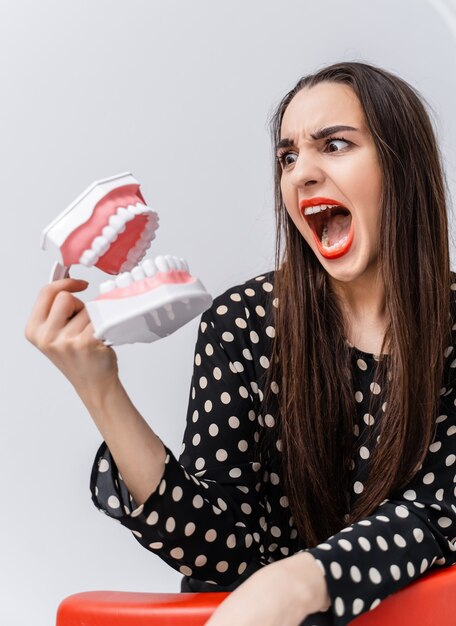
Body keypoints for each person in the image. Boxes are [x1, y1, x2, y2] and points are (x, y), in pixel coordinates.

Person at [25, 61, 456, 626]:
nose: (302, 172)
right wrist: (99, 389)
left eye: (334, 144)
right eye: (288, 156)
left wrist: (295, 584)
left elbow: (437, 516)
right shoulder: (244, 324)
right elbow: (220, 548)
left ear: (402, 165)